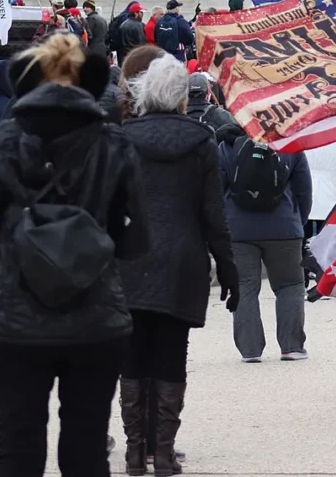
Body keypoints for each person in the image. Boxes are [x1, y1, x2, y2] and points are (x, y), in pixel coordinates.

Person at [0, 33, 149, 476]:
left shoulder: (2, 142)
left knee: (17, 446)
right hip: (96, 315)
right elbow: (137, 240)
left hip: (14, 317)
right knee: (86, 447)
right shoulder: (115, 143)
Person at [119, 55, 240, 476]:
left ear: (143, 94)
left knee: (133, 357)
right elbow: (213, 214)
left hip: (131, 259)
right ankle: (164, 454)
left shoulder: (124, 138)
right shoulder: (201, 140)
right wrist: (228, 268)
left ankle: (135, 453)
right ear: (182, 99)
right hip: (182, 259)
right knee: (172, 356)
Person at [217, 122, 313, 362]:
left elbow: (215, 191)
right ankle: (292, 347)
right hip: (284, 228)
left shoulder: (225, 146)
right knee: (290, 285)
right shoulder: (290, 144)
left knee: (245, 286)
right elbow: (304, 191)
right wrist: (297, 223)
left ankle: (250, 350)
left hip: (238, 229)